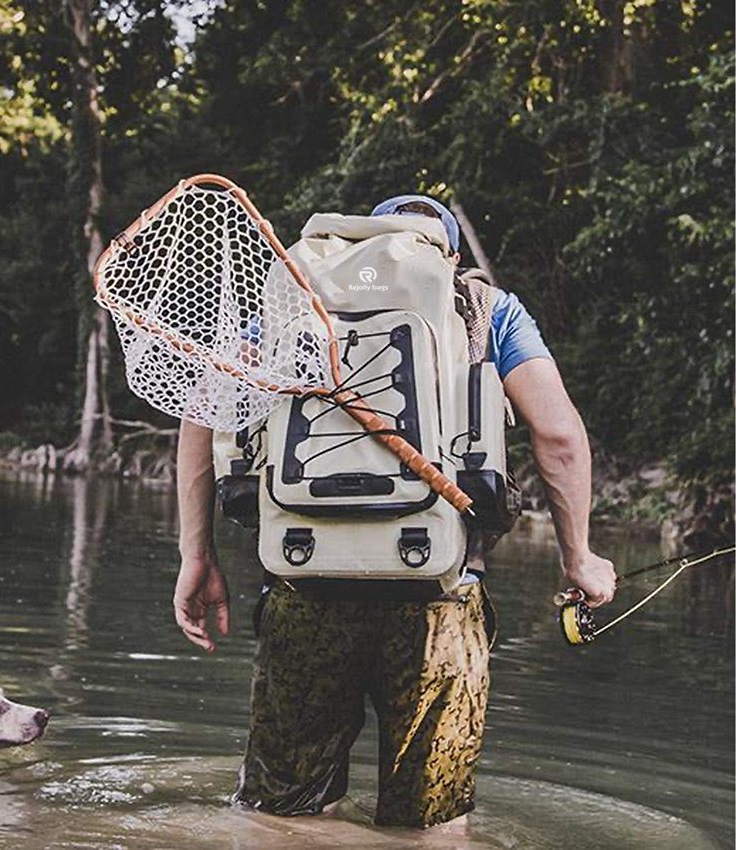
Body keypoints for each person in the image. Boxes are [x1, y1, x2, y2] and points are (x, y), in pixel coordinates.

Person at [172, 194, 617, 828]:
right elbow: (560, 437)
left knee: (278, 817)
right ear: (452, 255)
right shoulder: (487, 309)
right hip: (437, 595)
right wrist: (579, 558)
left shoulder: (292, 297)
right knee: (430, 826)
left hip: (303, 580)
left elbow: (204, 416)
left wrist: (197, 555)